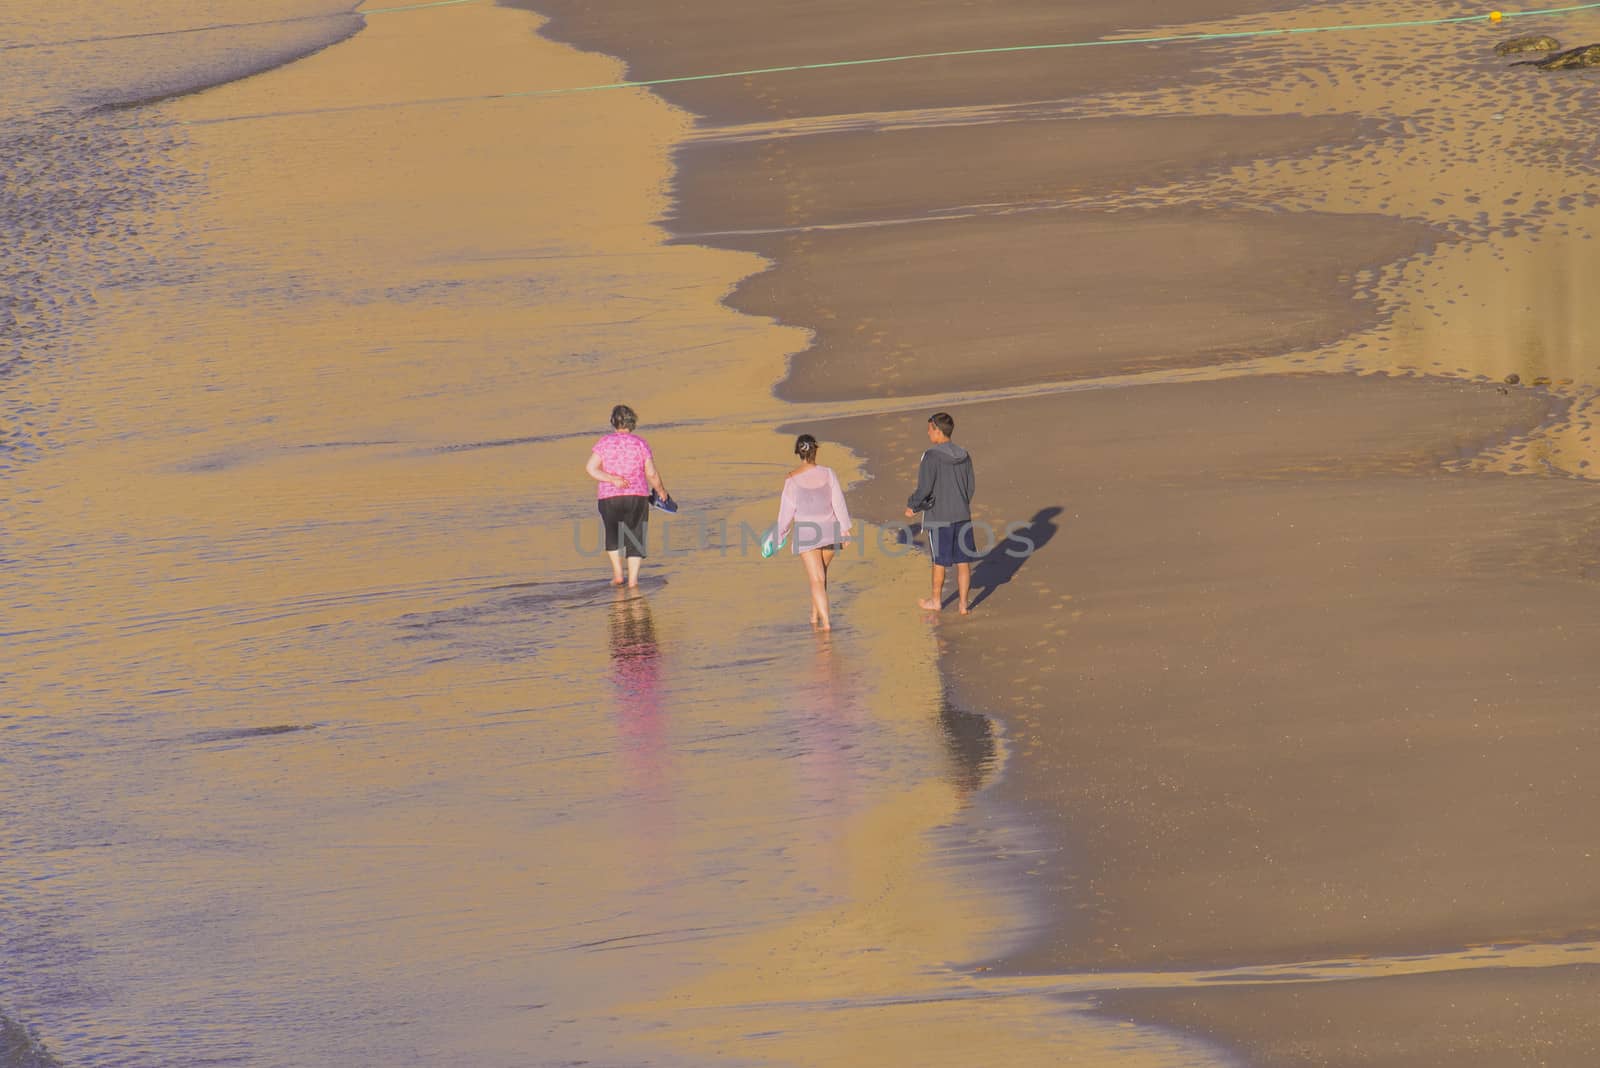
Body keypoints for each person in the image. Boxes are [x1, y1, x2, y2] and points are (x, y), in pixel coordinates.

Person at [586, 404, 670, 587]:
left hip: (608, 497)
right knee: (635, 536)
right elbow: (651, 473)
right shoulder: (640, 443)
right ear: (632, 422)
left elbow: (591, 469)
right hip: (636, 496)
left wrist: (612, 479)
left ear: (613, 423)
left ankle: (617, 574)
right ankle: (632, 582)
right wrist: (661, 492)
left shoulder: (604, 443)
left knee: (612, 535)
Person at [775, 434, 853, 630]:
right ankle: (814, 616)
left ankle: (826, 624)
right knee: (821, 577)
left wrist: (779, 536)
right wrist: (845, 529)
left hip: (807, 535)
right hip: (830, 532)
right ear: (815, 450)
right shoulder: (829, 473)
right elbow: (839, 502)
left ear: (798, 453)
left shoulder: (792, 480)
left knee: (816, 579)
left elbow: (786, 512)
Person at [904, 411, 976, 614]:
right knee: (963, 561)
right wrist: (961, 503)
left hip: (939, 518)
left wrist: (912, 506)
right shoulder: (964, 453)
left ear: (937, 430)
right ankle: (963, 604)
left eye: (929, 429)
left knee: (939, 561)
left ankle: (936, 601)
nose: (928, 433)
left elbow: (924, 488)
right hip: (962, 514)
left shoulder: (931, 456)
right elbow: (970, 487)